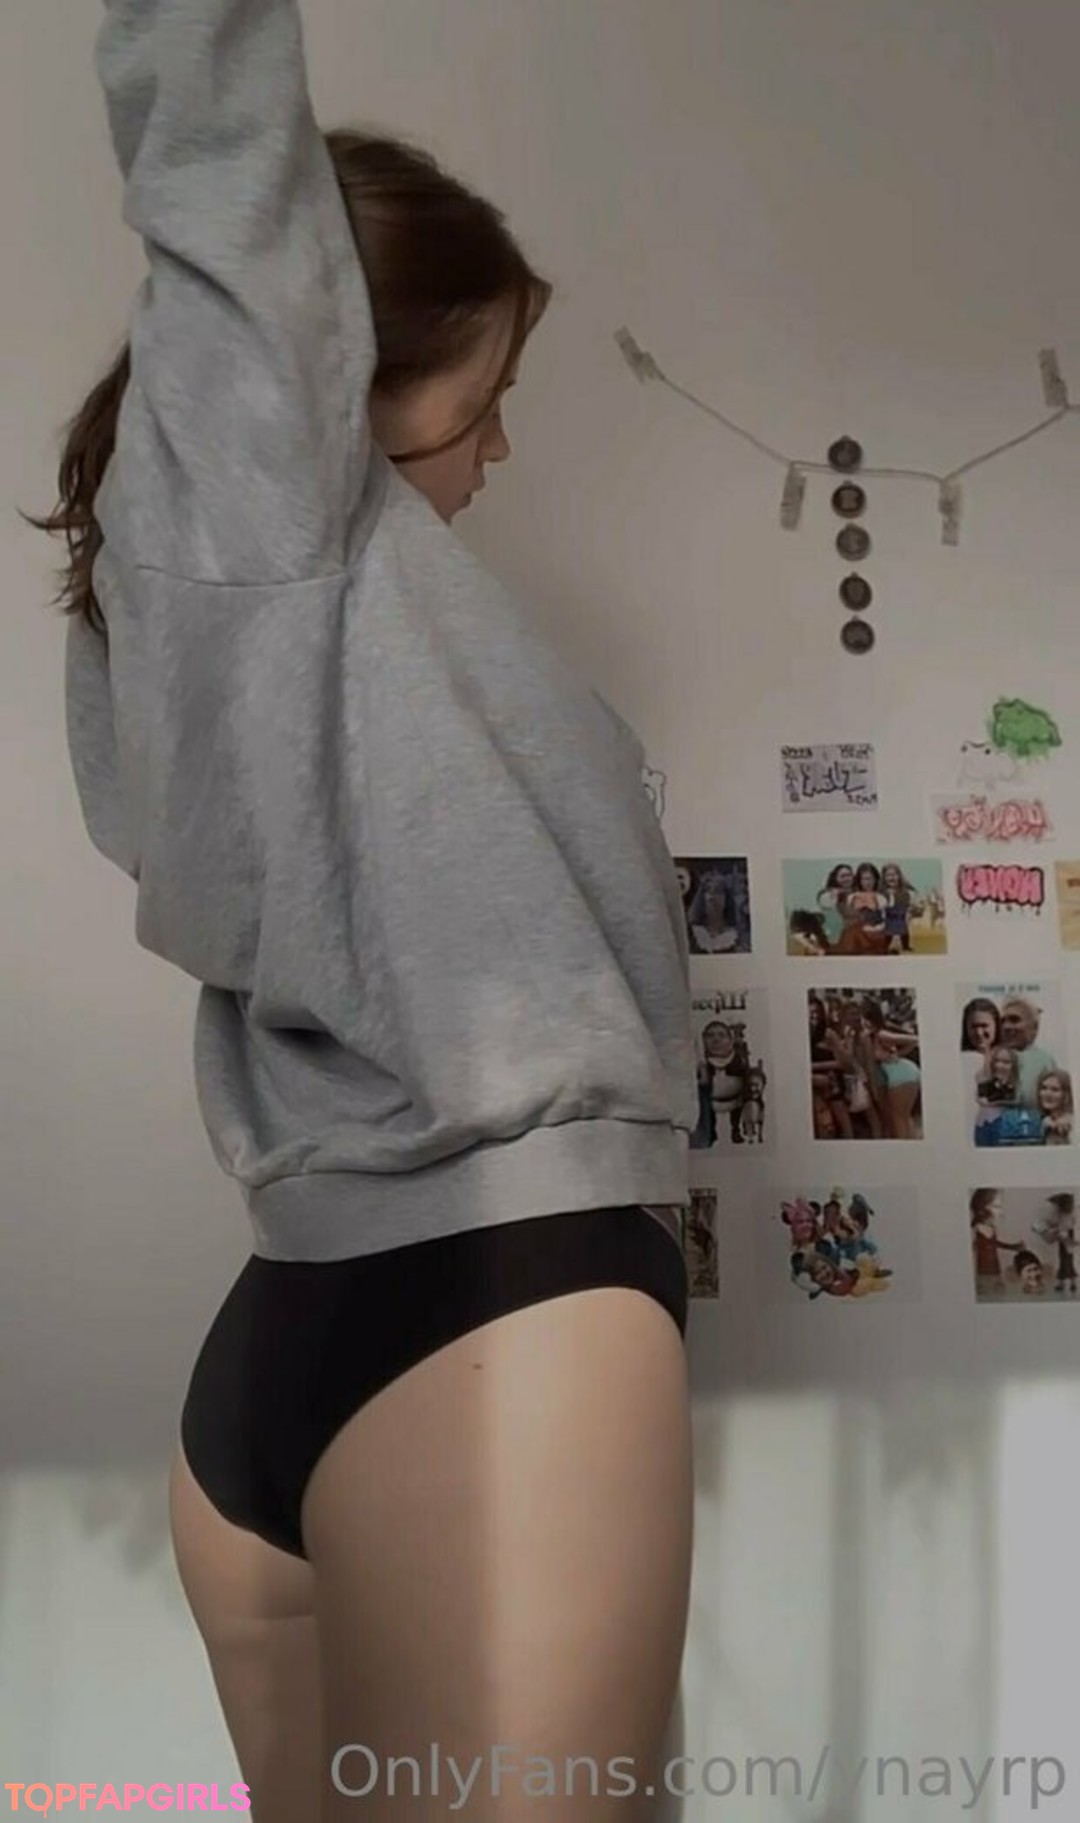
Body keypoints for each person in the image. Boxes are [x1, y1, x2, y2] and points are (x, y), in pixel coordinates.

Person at [31, 4, 699, 1819]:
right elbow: (215, 146)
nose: (500, 449)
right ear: (325, 368)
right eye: (486, 398)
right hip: (500, 1311)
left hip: (299, 1324)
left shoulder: (210, 627)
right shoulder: (264, 516)